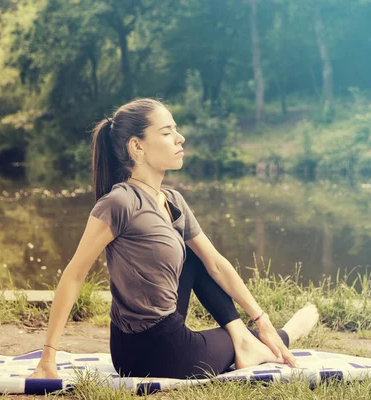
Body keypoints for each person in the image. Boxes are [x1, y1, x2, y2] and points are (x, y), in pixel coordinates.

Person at [30, 98, 319, 380]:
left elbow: (215, 263)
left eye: (175, 130)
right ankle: (284, 335)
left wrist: (261, 318)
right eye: (167, 133)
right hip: (151, 351)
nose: (179, 138)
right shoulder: (119, 203)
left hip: (167, 329)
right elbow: (74, 274)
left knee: (195, 254)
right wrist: (48, 356)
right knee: (243, 340)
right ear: (137, 146)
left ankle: (248, 339)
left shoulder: (172, 201)